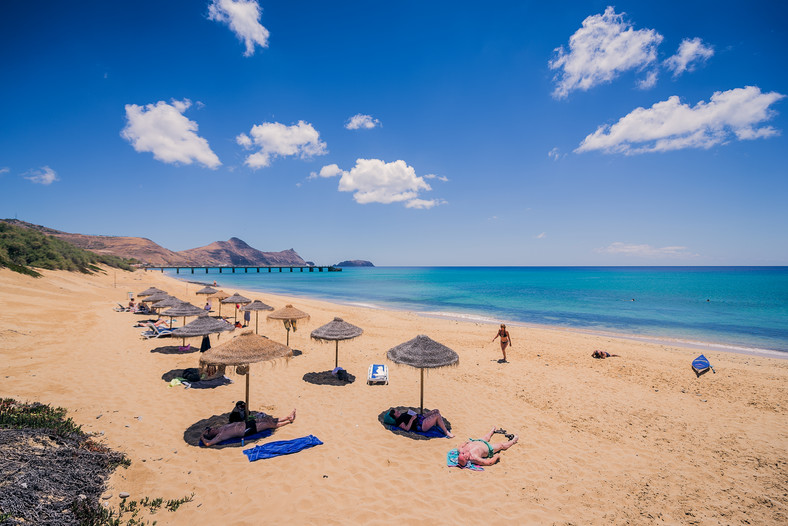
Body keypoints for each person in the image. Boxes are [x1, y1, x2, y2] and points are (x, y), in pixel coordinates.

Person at [201, 409, 297, 447]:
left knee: (268, 419)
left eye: (209, 428)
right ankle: (289, 421)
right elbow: (208, 443)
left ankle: (287, 417)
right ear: (211, 435)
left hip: (246, 424)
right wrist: (202, 437)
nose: (211, 428)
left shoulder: (220, 428)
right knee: (269, 425)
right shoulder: (220, 436)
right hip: (247, 430)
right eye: (209, 431)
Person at [385, 408, 454, 438]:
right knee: (437, 415)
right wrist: (411, 420)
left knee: (436, 411)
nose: (398, 411)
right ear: (395, 416)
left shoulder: (402, 414)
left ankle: (439, 424)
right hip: (420, 425)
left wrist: (412, 413)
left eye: (397, 410)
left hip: (420, 418)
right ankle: (446, 432)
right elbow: (406, 429)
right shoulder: (399, 421)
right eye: (397, 412)